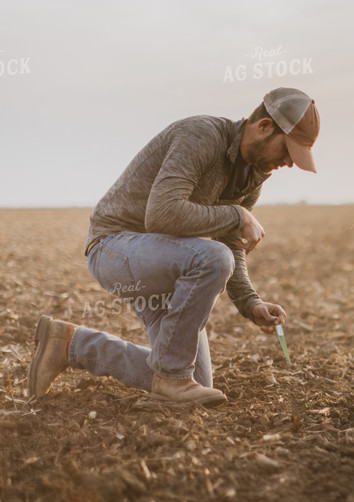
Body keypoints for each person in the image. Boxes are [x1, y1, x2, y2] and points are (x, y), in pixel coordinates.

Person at [27, 88, 320, 407]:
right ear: (264, 126)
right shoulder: (202, 135)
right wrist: (238, 214)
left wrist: (251, 304)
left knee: (197, 383)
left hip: (169, 266)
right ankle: (171, 375)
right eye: (289, 149)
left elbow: (231, 244)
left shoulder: (252, 178)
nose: (290, 162)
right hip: (114, 247)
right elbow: (163, 214)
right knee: (212, 261)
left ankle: (70, 344)